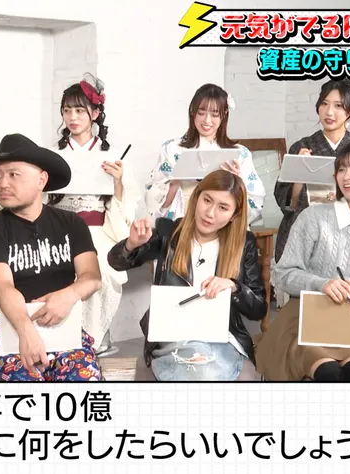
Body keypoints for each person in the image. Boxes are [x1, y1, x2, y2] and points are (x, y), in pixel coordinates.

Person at [256, 141, 350, 382]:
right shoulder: (313, 218)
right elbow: (282, 275)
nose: (346, 176)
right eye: (341, 169)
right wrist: (321, 284)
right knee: (328, 372)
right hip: (303, 323)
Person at [108, 170, 266, 381]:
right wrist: (131, 244)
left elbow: (258, 308)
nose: (210, 213)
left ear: (234, 215)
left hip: (221, 335)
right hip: (173, 332)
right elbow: (117, 262)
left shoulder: (244, 243)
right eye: (207, 200)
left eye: (223, 208)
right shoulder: (169, 231)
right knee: (199, 371)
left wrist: (234, 286)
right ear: (196, 197)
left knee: (210, 369)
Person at [0, 133, 104, 381]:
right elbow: (2, 287)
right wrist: (26, 332)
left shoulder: (71, 223)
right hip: (6, 328)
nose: (3, 184)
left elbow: (91, 277)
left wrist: (69, 295)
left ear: (41, 180)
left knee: (85, 379)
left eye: (14, 174)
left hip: (61, 327)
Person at [46, 74, 140, 356]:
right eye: (67, 110)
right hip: (58, 230)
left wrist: (118, 182)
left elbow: (126, 205)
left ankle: (94, 336)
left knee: (104, 271)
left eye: (79, 110)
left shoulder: (112, 156)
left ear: (95, 114)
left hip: (98, 230)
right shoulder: (51, 155)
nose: (72, 117)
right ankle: (59, 337)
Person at [274, 79, 350, 264]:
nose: (329, 112)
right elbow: (289, 205)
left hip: (347, 235)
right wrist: (300, 171)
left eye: (338, 106)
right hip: (304, 232)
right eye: (324, 104)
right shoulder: (302, 147)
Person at [145, 83, 265, 226]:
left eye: (214, 115)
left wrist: (237, 183)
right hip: (182, 220)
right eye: (201, 113)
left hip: (222, 223)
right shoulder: (171, 149)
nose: (207, 121)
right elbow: (153, 198)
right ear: (192, 112)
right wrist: (174, 183)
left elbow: (254, 200)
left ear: (224, 115)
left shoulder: (240, 154)